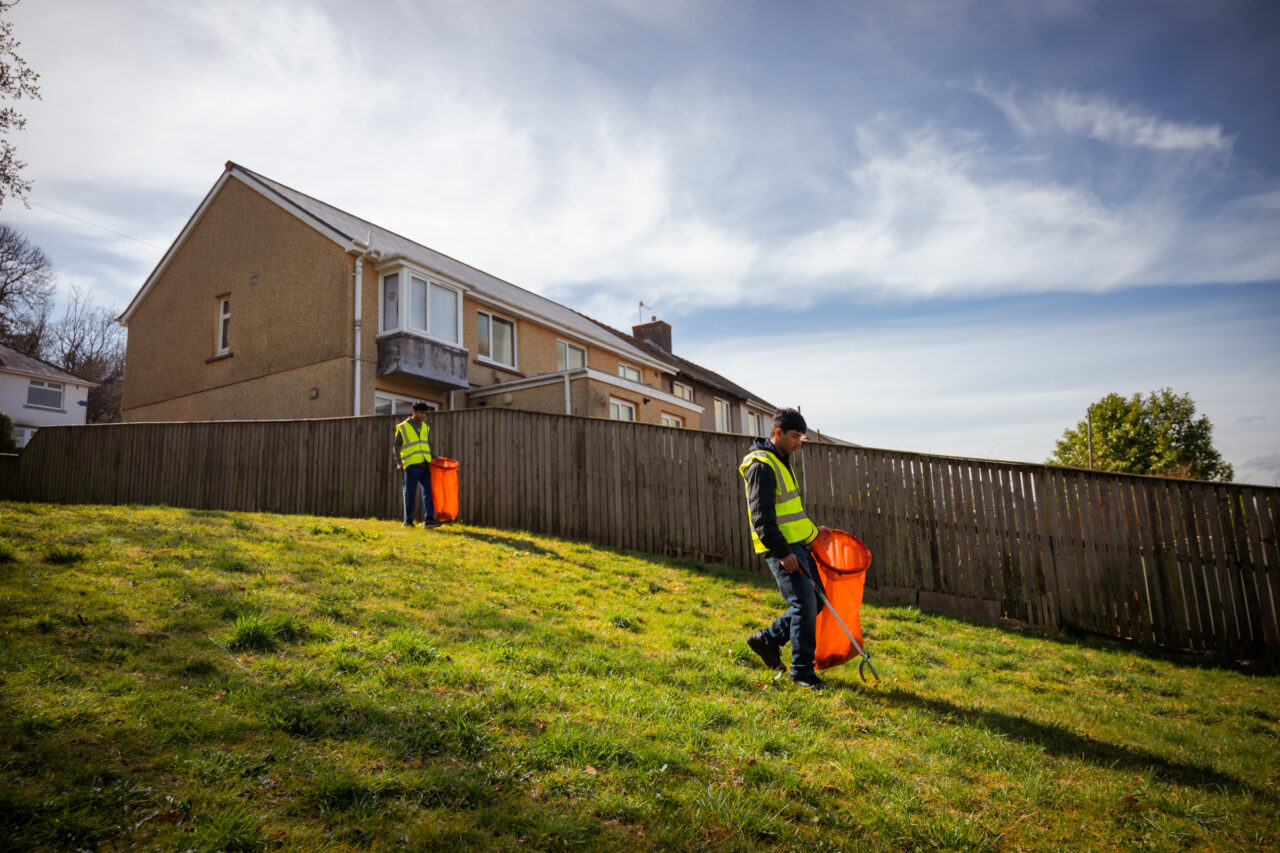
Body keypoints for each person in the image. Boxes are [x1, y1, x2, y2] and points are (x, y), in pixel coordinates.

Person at [739, 407, 826, 689]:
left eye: (801, 436)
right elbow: (762, 517)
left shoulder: (781, 460)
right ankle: (802, 672)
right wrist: (783, 553)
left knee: (818, 600)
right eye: (794, 436)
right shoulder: (761, 465)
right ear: (777, 433)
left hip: (796, 545)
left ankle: (767, 640)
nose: (799, 442)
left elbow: (791, 513)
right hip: (782, 548)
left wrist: (815, 533)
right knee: (803, 604)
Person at [394, 402, 441, 529]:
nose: (423, 415)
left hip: (425, 465)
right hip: (411, 465)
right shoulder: (403, 427)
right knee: (410, 493)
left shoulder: (425, 427)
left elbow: (424, 447)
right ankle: (408, 521)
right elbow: (396, 446)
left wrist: (436, 457)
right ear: (413, 411)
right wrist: (399, 462)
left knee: (429, 493)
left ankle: (429, 520)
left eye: (425, 413)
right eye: (421, 412)